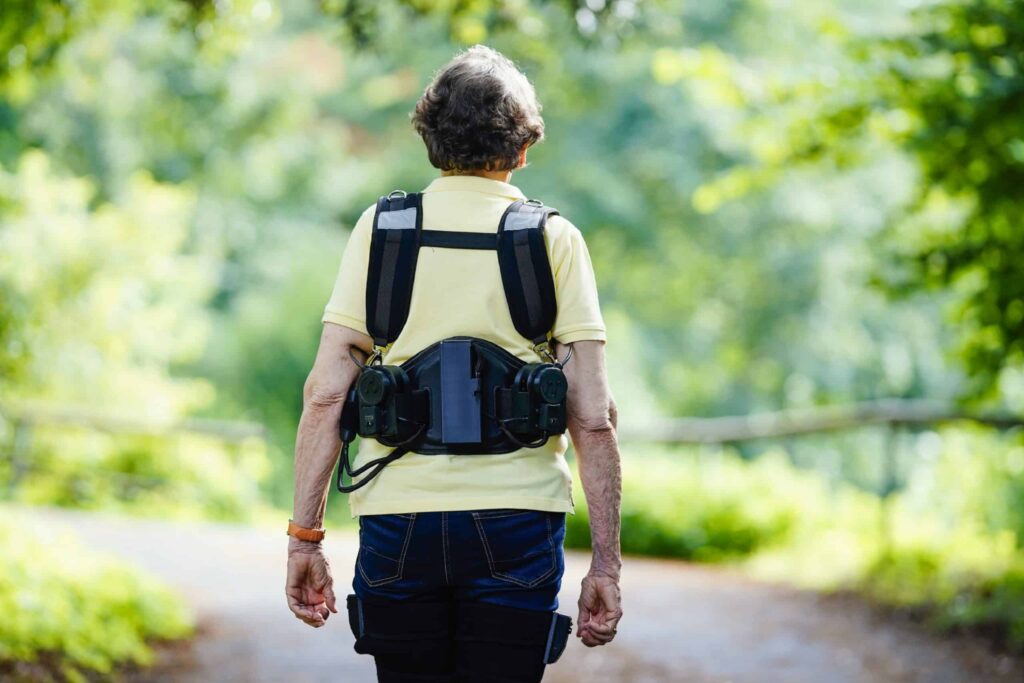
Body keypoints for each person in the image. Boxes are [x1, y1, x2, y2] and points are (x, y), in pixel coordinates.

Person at [285, 45, 622, 683]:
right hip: (518, 519)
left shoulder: (382, 230)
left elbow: (326, 394)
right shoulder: (554, 239)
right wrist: (605, 565)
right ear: (524, 147)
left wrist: (306, 537)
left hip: (398, 519)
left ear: (430, 140)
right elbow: (594, 416)